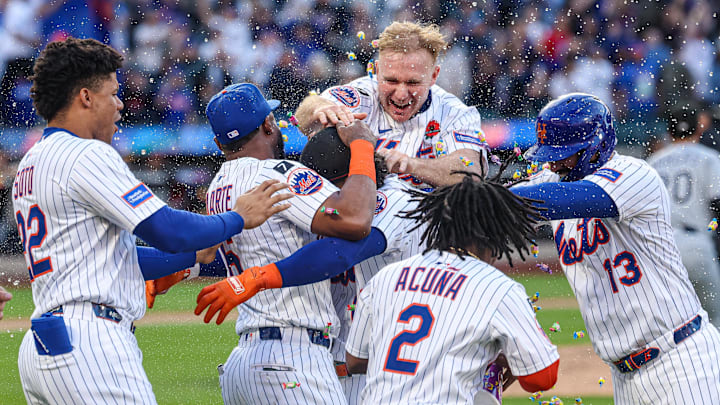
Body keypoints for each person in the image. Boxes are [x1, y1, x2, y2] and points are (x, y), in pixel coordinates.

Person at [14, 37, 291, 405]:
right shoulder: (85, 153)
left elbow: (117, 255)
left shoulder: (33, 162)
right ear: (85, 97)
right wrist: (236, 218)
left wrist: (195, 255)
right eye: (112, 93)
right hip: (90, 342)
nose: (119, 104)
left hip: (47, 342)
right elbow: (168, 230)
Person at [513, 93, 720, 404]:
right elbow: (507, 213)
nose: (553, 162)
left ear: (593, 148)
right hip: (624, 377)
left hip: (680, 360)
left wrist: (501, 198)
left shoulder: (635, 173)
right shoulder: (554, 177)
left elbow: (571, 199)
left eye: (564, 154)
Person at [197, 82, 380, 405]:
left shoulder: (218, 186)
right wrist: (362, 147)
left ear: (218, 142)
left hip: (245, 359)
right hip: (292, 357)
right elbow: (354, 219)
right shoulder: (277, 173)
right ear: (268, 124)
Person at [343, 174, 559, 404]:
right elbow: (541, 378)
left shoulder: (387, 276)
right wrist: (495, 358)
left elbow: (355, 360)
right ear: (497, 233)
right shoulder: (498, 288)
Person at [294, 21, 487, 191]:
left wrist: (410, 164)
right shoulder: (362, 95)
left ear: (433, 76)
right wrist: (318, 109)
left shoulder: (455, 113)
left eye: (412, 83)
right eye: (391, 81)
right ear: (376, 71)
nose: (401, 94)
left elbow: (470, 174)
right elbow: (307, 113)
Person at [647, 102, 720, 327]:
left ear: (669, 131)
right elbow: (717, 207)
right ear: (700, 127)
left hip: (659, 248)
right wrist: (710, 232)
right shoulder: (708, 157)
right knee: (714, 322)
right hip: (696, 242)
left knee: (671, 325)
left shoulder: (653, 162)